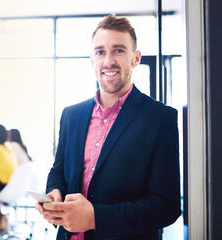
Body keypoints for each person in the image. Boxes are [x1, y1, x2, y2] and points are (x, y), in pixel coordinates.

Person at [36, 14, 180, 240]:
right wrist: (54, 194)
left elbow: (166, 206)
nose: (108, 61)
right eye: (100, 51)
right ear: (92, 59)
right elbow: (58, 172)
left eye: (119, 50)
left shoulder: (161, 118)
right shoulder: (71, 115)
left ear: (136, 58)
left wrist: (95, 217)